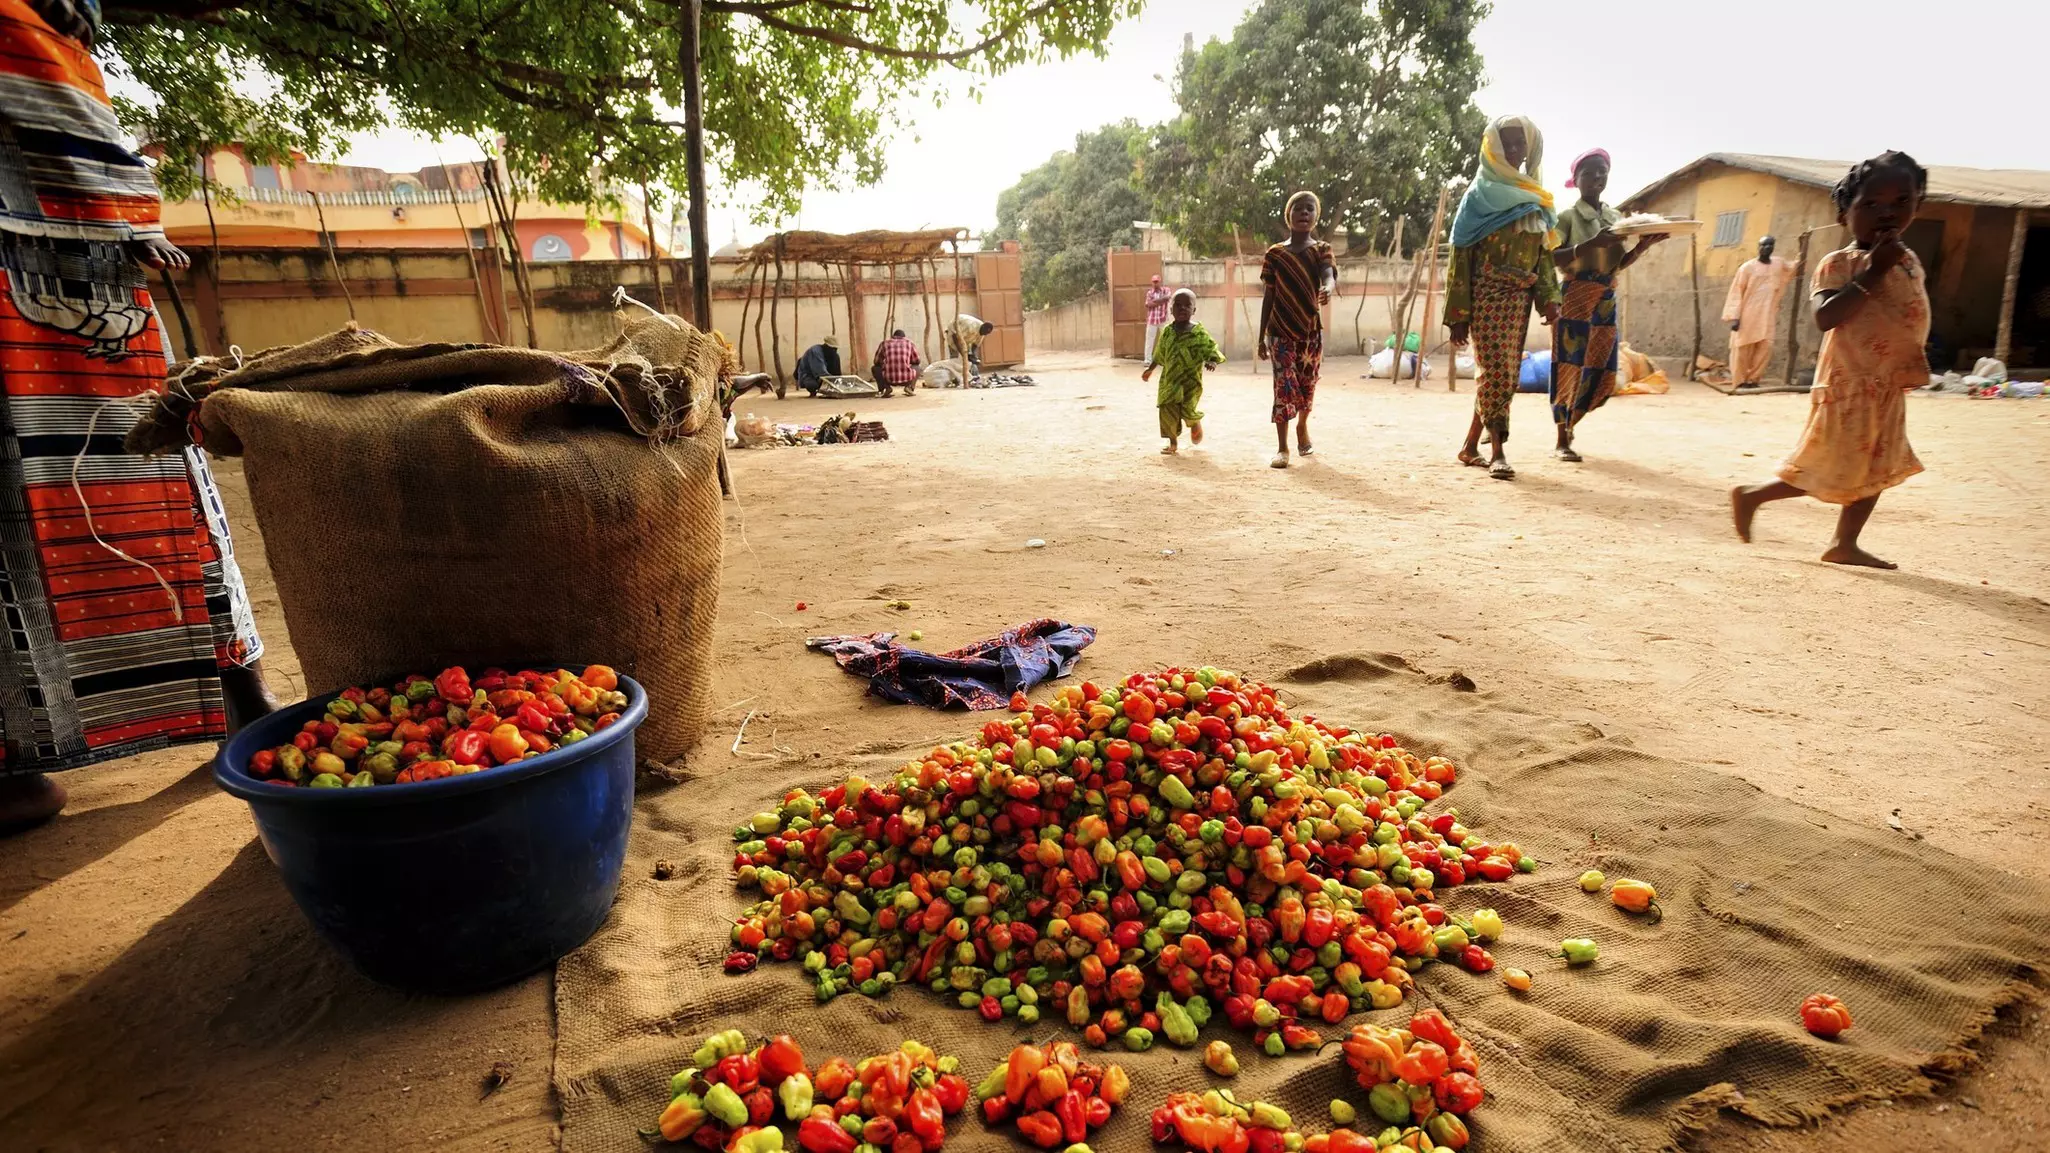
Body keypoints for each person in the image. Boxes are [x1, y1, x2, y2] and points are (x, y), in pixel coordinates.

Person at [0, 0, 272, 830]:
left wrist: (114, 217)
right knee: (150, 472)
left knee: (153, 466)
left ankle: (237, 694)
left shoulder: (38, 25)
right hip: (54, 266)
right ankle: (238, 698)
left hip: (61, 280)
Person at [1731, 152, 1930, 570]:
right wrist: (1873, 272)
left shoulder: (1908, 259)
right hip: (1849, 384)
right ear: (1844, 214)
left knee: (1878, 464)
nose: (1886, 214)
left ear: (1918, 206)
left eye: (1901, 202)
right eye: (1871, 205)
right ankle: (1753, 495)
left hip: (1886, 384)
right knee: (1832, 463)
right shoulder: (1839, 263)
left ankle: (1845, 542)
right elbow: (1826, 317)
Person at [1446, 115, 1560, 481]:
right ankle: (1497, 451)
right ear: (1492, 147)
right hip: (1486, 296)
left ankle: (1469, 447)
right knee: (1497, 372)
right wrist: (1459, 314)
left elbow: (1542, 256)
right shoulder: (1478, 197)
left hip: (1519, 299)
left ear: (1530, 148)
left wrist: (1548, 298)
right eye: (1506, 144)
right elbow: (1460, 257)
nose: (1512, 151)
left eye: (1519, 144)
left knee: (1503, 375)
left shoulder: (1536, 196)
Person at [1548, 149, 1664, 461]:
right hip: (1575, 296)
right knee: (1569, 365)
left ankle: (1572, 423)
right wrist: (1590, 244)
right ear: (1576, 180)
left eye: (1602, 172)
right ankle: (1561, 439)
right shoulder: (1567, 218)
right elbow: (1551, 256)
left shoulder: (1615, 219)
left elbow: (1617, 263)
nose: (1598, 177)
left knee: (1603, 370)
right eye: (1590, 173)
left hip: (1605, 299)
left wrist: (1641, 246)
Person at [1258, 190, 1336, 469]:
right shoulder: (1275, 254)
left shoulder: (1322, 250)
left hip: (1311, 334)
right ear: (1288, 215)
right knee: (1283, 388)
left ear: (1316, 217)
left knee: (1307, 386)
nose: (1304, 213)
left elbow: (1328, 275)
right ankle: (1282, 448)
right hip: (1280, 332)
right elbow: (1268, 295)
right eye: (1298, 209)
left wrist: (1327, 288)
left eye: (1309, 209)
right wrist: (1261, 338)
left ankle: (1302, 426)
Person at [1140, 289, 1219, 455]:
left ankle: (1194, 421)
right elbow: (1160, 352)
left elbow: (1210, 348)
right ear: (1171, 310)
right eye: (1178, 305)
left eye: (1187, 305)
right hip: (1170, 380)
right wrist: (1150, 369)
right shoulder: (1167, 331)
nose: (1182, 308)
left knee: (1187, 408)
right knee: (1167, 409)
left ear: (1194, 310)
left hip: (1191, 381)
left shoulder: (1199, 332)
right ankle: (1173, 442)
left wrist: (1212, 360)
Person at [1723, 235, 1799, 389]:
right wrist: (1735, 317)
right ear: (1758, 247)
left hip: (1768, 313)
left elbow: (1793, 268)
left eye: (1770, 245)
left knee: (1766, 347)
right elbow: (1736, 292)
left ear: (1773, 247)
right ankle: (1740, 380)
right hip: (1748, 312)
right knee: (1742, 348)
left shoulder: (1778, 263)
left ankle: (1753, 379)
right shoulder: (1747, 268)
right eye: (1763, 245)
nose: (1767, 248)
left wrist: (1802, 247)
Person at [872, 328, 920, 397]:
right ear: (904, 337)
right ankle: (909, 388)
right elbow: (917, 360)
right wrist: (906, 361)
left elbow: (876, 362)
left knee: (875, 368)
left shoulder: (884, 343)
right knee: (917, 367)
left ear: (893, 336)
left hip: (889, 379)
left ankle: (886, 388)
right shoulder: (910, 343)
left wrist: (885, 364)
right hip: (907, 379)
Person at [948, 314, 994, 385]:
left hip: (966, 338)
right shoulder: (970, 326)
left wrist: (973, 356)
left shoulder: (983, 332)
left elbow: (975, 345)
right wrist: (962, 353)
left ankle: (971, 377)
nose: (985, 334)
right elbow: (955, 337)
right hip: (954, 332)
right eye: (985, 333)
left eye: (986, 334)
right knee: (954, 359)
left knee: (970, 360)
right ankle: (954, 379)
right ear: (983, 327)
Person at [794, 333, 840, 397]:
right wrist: (833, 381)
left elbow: (837, 373)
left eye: (835, 349)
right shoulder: (815, 352)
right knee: (812, 385)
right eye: (833, 348)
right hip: (808, 375)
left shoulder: (834, 355)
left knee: (836, 358)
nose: (834, 351)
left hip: (822, 376)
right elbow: (820, 372)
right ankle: (813, 392)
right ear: (826, 346)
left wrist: (839, 382)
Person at [1141, 274, 1172, 367]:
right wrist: (1161, 300)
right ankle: (1147, 360)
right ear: (1152, 282)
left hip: (1163, 319)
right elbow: (1148, 304)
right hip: (1152, 319)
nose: (1155, 284)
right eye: (1154, 282)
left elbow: (1167, 298)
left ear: (1160, 282)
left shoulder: (1166, 290)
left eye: (1157, 282)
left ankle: (1166, 359)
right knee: (1149, 340)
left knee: (1166, 340)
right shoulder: (1150, 292)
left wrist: (1155, 301)